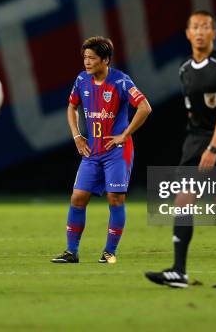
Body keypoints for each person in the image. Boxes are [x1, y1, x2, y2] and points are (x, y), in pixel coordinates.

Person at [145, 10, 216, 288]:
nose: (200, 31)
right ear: (188, 34)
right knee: (183, 199)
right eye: (195, 27)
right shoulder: (184, 69)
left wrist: (213, 148)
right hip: (196, 138)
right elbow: (192, 110)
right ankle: (179, 271)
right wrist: (199, 143)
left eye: (205, 27)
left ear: (214, 32)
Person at [51, 36, 152, 264]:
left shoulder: (121, 81)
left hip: (116, 152)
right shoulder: (81, 80)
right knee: (77, 197)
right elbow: (71, 106)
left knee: (115, 199)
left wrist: (124, 135)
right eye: (85, 57)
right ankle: (71, 251)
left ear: (105, 60)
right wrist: (77, 135)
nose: (87, 62)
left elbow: (145, 107)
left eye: (92, 58)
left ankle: (109, 252)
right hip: (92, 152)